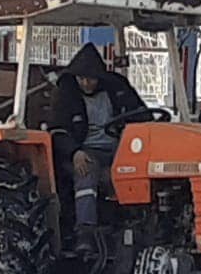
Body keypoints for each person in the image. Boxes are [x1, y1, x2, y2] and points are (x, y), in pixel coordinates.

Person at [51, 43, 148, 253]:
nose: (86, 83)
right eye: (81, 78)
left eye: (91, 78)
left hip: (119, 150)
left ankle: (142, 226)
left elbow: (141, 114)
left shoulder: (117, 89)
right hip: (86, 151)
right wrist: (74, 152)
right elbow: (58, 130)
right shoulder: (66, 94)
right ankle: (85, 232)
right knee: (87, 170)